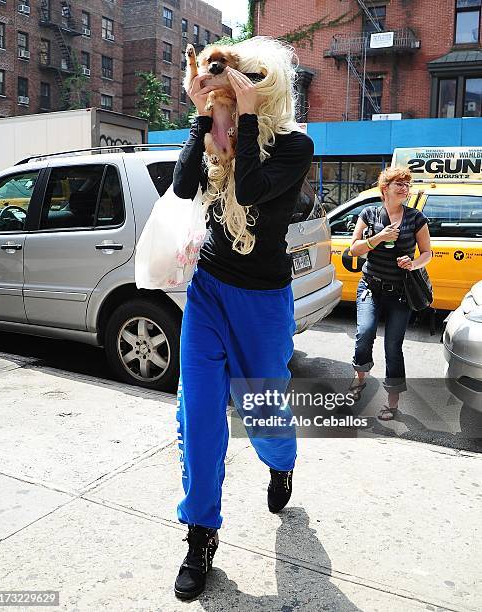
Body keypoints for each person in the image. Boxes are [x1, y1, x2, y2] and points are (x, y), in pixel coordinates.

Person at [172, 37, 314, 600]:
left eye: (240, 85)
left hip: (261, 303)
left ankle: (282, 464)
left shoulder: (294, 146)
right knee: (198, 419)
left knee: (264, 417)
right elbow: (184, 187)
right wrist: (202, 119)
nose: (228, 91)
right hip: (208, 292)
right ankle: (199, 534)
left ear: (265, 89)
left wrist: (246, 119)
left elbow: (252, 190)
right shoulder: (215, 136)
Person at [348, 166, 431, 420]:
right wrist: (379, 237)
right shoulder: (369, 213)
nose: (405, 188)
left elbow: (427, 253)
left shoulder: (416, 218)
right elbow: (354, 249)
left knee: (393, 346)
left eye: (407, 184)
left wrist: (413, 263)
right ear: (386, 188)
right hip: (370, 286)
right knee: (365, 333)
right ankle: (359, 378)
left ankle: (392, 400)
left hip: (401, 291)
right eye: (399, 184)